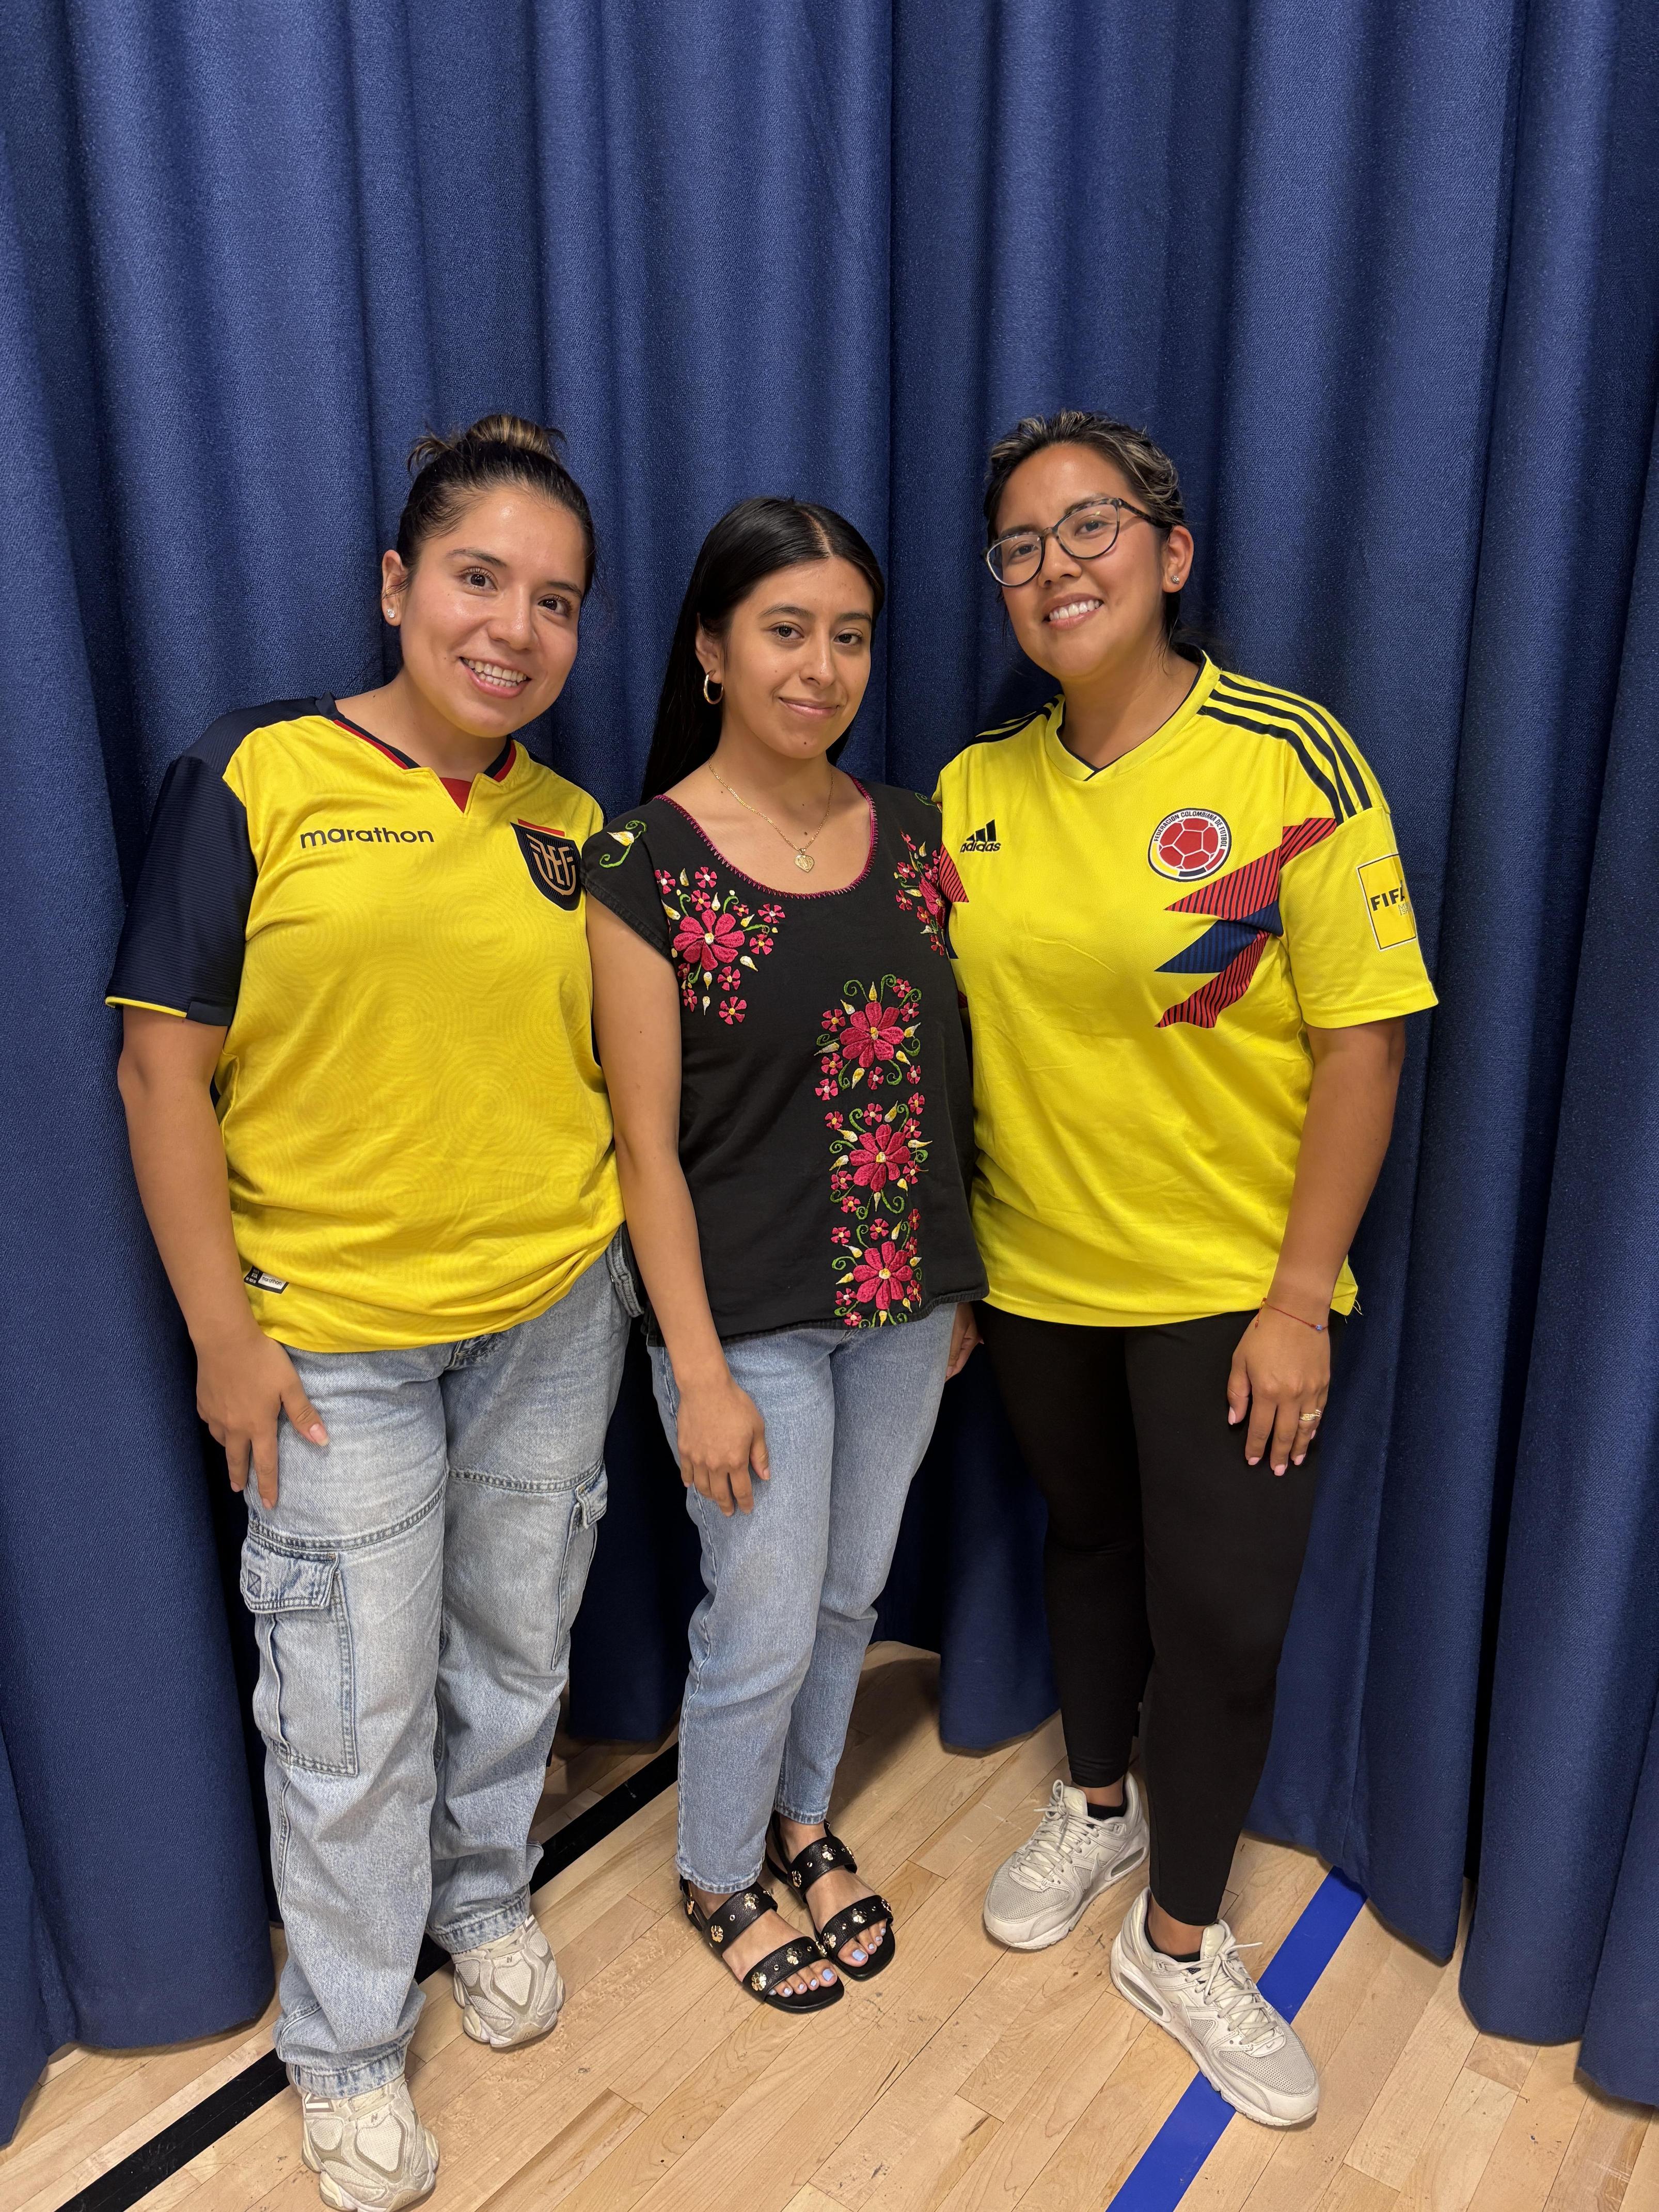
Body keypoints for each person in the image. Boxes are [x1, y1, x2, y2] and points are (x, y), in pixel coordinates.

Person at [109, 416, 634, 2210]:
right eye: (479, 579)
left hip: (557, 1306)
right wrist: (222, 1334)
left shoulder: (573, 825)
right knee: (344, 1707)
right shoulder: (256, 775)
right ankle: (341, 2042)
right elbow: (159, 1077)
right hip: (332, 1342)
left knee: (516, 1647)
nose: (514, 627)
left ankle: (484, 1896)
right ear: (398, 587)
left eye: (554, 599)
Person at [938, 412, 1437, 2128]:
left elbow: (1366, 1043)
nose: (1055, 564)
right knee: (1087, 1544)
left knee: (1221, 1623)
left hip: (1235, 1287)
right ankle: (1096, 1803)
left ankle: (1181, 1932)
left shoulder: (1291, 757)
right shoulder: (973, 789)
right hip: (1036, 1277)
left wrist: (1301, 1294)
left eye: (1090, 526)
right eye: (1018, 544)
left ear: (1173, 552)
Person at [583, 496, 984, 2015]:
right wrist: (695, 1371)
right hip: (743, 1321)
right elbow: (643, 1148)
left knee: (849, 1589)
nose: (822, 666)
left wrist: (959, 1281)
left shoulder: (919, 833)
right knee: (757, 1612)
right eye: (785, 630)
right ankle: (716, 1866)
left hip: (908, 1302)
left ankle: (804, 1821)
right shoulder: (643, 861)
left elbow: (956, 1072)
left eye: (851, 634)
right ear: (710, 649)